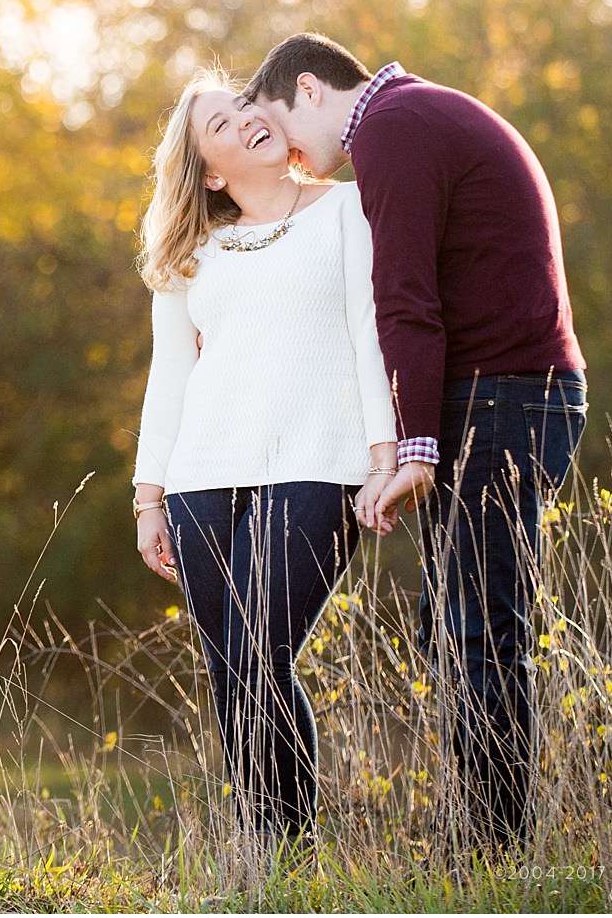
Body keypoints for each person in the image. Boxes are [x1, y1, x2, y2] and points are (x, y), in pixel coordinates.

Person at [241, 31, 588, 853]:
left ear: (311, 91)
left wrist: (415, 448)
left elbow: (405, 300)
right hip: (511, 395)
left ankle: (494, 854)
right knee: (459, 622)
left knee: (480, 633)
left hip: (502, 400)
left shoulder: (392, 128)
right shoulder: (420, 113)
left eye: (284, 135)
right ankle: (483, 836)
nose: (294, 160)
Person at [132, 68, 397, 843]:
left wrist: (383, 455)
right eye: (221, 122)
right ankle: (270, 861)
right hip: (201, 479)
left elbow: (368, 333)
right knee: (232, 675)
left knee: (259, 654)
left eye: (246, 104)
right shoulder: (191, 252)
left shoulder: (347, 209)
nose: (247, 116)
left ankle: (289, 853)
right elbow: (170, 377)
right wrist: (150, 497)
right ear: (211, 170)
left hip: (319, 462)